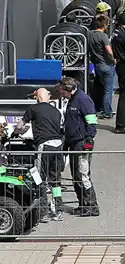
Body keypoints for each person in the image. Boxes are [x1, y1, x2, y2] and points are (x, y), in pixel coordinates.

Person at [13, 88, 64, 222]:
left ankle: (42, 210)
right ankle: (57, 209)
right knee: (56, 180)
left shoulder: (33, 109)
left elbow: (20, 125)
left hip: (44, 146)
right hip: (58, 146)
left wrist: (15, 133)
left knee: (39, 178)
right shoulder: (56, 111)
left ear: (37, 98)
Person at [56, 77, 100, 216]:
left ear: (69, 89)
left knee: (82, 174)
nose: (61, 94)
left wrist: (89, 140)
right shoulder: (73, 99)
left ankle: (91, 205)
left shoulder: (82, 99)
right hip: (74, 143)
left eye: (62, 91)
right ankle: (82, 204)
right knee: (76, 175)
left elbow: (92, 122)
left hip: (81, 143)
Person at [87, 12, 116, 119]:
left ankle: (97, 108)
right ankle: (107, 111)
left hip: (97, 65)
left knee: (99, 88)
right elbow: (109, 51)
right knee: (108, 90)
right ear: (104, 25)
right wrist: (113, 60)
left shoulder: (89, 34)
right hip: (106, 64)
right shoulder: (103, 36)